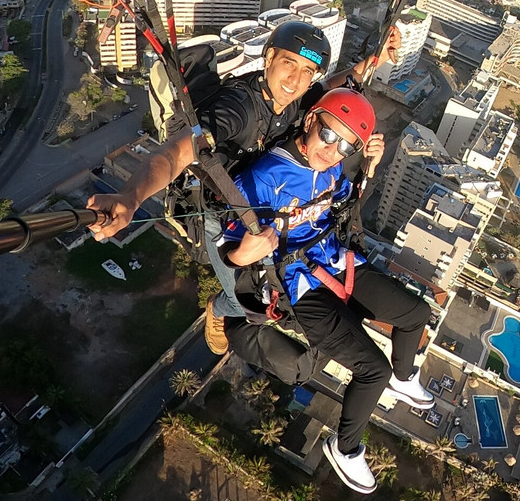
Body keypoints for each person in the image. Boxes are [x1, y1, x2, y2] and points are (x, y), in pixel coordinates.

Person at [87, 23, 400, 357]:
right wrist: (132, 196)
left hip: (258, 205)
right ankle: (219, 310)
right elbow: (175, 154)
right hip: (219, 216)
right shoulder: (238, 109)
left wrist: (374, 60)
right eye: (288, 64)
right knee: (251, 301)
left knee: (281, 289)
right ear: (269, 59)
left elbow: (331, 87)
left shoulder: (292, 101)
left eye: (306, 70)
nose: (295, 80)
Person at [221, 89, 434, 494]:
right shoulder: (263, 178)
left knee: (416, 315)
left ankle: (405, 377)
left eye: (345, 145)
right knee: (373, 371)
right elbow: (222, 248)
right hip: (296, 284)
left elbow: (344, 202)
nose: (333, 150)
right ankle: (346, 446)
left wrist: (368, 165)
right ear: (309, 123)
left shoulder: (333, 170)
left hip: (333, 258)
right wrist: (240, 256)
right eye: (328, 136)